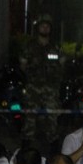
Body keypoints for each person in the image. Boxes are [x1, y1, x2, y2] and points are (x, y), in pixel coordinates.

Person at [20, 14, 63, 144]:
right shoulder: (29, 46)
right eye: (42, 26)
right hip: (33, 86)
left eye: (47, 26)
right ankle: (28, 142)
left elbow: (62, 63)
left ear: (50, 29)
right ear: (38, 28)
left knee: (52, 116)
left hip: (51, 87)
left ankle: (52, 142)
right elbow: (23, 64)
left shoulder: (56, 47)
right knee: (30, 116)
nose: (45, 29)